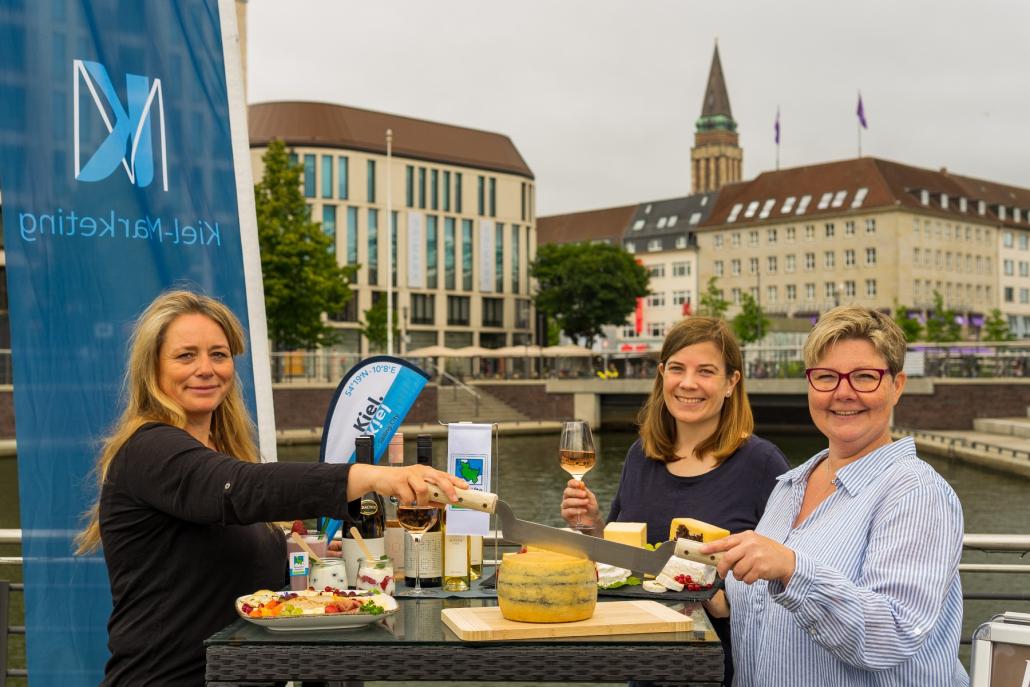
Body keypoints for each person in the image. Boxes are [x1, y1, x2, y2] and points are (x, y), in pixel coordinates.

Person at [74, 290, 465, 686]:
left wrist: (304, 556)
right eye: (186, 355)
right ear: (152, 369)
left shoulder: (220, 452)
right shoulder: (150, 449)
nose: (206, 368)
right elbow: (239, 490)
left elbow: (219, 559)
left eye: (219, 354)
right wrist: (373, 476)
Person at [703, 306, 968, 686]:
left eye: (864, 377)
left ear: (897, 385)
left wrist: (793, 568)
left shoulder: (916, 493)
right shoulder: (790, 485)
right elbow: (766, 611)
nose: (843, 393)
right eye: (826, 377)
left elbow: (889, 635)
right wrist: (710, 589)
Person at [560, 316, 789, 686]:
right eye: (677, 369)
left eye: (706, 371)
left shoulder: (763, 465)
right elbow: (626, 562)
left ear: (732, 382)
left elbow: (788, 582)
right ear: (662, 374)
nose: (688, 383)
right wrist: (593, 523)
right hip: (646, 663)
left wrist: (718, 595)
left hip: (723, 667)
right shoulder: (641, 456)